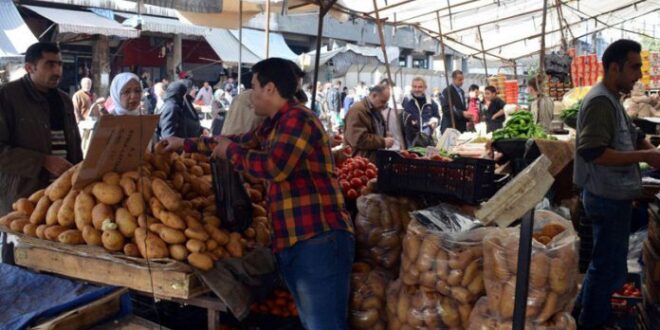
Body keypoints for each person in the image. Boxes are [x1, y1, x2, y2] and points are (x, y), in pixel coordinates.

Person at [159, 58, 354, 329]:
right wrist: (184, 143)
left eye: (254, 87)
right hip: (297, 239)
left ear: (270, 89)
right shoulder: (275, 122)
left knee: (324, 325)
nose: (250, 96)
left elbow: (274, 167)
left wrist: (230, 152)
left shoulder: (299, 119)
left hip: (317, 238)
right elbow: (241, 141)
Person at [573, 39, 660, 329]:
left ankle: (580, 313)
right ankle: (590, 322)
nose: (638, 75)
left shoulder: (613, 99)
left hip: (615, 197)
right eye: (634, 67)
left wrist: (651, 151)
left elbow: (633, 134)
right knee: (606, 268)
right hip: (605, 198)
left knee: (605, 264)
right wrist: (647, 155)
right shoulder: (600, 101)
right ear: (614, 67)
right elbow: (593, 152)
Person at [0, 42, 83, 261]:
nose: (57, 70)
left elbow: (74, 144)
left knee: (55, 256)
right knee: (18, 254)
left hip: (61, 196)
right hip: (23, 192)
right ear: (30, 67)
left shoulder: (64, 100)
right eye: (49, 64)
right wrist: (42, 161)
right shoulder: (7, 96)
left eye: (59, 64)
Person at [344, 84, 395, 162]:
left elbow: (374, 130)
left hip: (370, 161)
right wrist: (383, 141)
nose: (384, 105)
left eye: (386, 102)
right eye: (382, 101)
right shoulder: (357, 111)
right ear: (374, 95)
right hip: (359, 163)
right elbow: (358, 139)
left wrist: (384, 134)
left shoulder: (375, 109)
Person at [402, 77, 441, 146]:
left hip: (427, 140)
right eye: (415, 87)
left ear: (425, 88)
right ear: (412, 87)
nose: (417, 89)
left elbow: (437, 117)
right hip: (411, 141)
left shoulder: (431, 103)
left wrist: (434, 121)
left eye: (420, 87)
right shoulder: (406, 101)